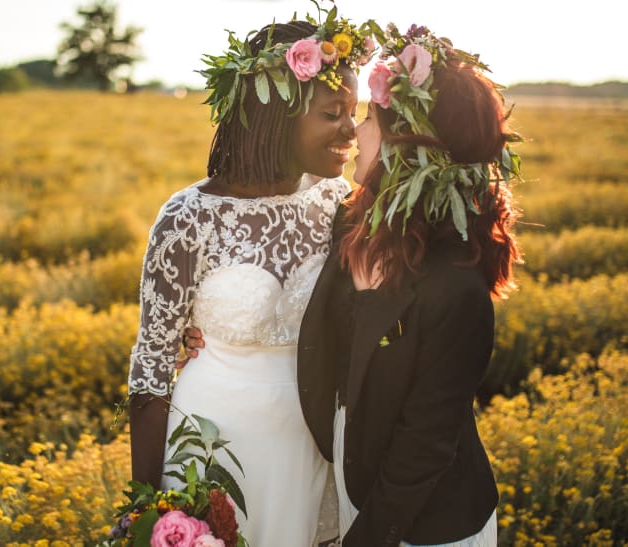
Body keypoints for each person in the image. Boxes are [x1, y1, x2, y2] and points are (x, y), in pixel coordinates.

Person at [127, 9, 374, 546]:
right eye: (334, 113)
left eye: (355, 112)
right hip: (211, 446)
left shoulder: (341, 203)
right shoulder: (186, 217)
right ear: (279, 116)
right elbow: (149, 373)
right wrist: (144, 515)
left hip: (311, 447)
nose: (352, 130)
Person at [296, 23, 523, 546]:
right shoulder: (350, 222)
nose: (355, 134)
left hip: (428, 523)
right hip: (354, 476)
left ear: (410, 147)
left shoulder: (455, 288)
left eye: (370, 120)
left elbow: (426, 445)